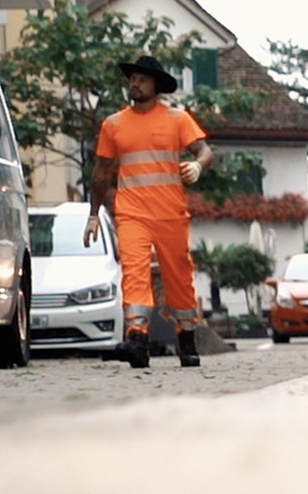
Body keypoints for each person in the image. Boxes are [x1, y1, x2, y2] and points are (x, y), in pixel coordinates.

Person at [84, 55, 214, 369]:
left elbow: (205, 151)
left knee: (179, 276)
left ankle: (186, 338)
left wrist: (198, 165)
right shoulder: (113, 124)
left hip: (170, 212)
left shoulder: (177, 118)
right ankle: (137, 339)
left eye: (142, 79)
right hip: (131, 212)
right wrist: (93, 214)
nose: (135, 83)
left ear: (155, 85)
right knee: (134, 271)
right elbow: (101, 172)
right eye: (132, 78)